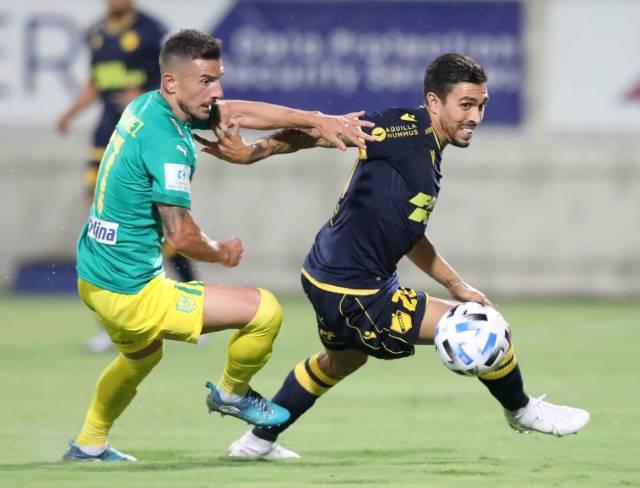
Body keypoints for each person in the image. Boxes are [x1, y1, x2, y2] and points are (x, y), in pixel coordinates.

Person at [197, 53, 591, 459]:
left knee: (340, 363)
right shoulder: (405, 130)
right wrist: (253, 152)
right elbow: (322, 130)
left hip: (327, 275)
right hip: (355, 292)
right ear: (434, 102)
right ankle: (522, 410)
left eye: (481, 105)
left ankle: (256, 442)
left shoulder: (430, 149)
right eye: (466, 105)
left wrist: (456, 284)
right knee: (479, 326)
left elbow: (409, 233)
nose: (475, 116)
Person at [62, 29, 374, 462]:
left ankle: (89, 443)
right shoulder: (169, 144)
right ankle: (231, 393)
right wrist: (219, 252)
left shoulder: (147, 105)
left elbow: (240, 111)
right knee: (264, 312)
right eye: (206, 81)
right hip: (132, 293)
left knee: (141, 359)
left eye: (218, 79)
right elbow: (180, 236)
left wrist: (316, 120)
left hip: (95, 274)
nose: (218, 91)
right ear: (172, 82)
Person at [56, 0, 197, 353]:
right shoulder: (96, 33)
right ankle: (109, 323)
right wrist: (70, 113)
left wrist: (146, 95)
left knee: (163, 230)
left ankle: (193, 300)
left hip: (140, 144)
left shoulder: (150, 31)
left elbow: (173, 81)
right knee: (101, 229)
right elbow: (96, 82)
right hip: (104, 143)